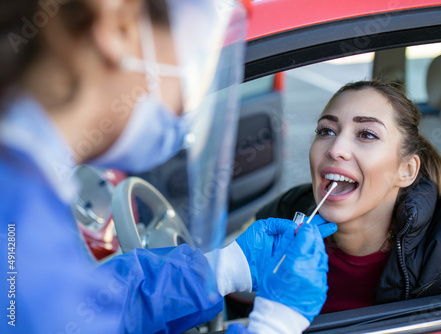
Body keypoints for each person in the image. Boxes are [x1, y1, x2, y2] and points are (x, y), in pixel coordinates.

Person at [0, 0, 337, 333]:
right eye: (198, 55)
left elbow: (84, 311)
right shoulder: (21, 229)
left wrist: (224, 268)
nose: (186, 101)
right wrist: (275, 325)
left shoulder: (23, 194)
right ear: (117, 23)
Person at [256, 80, 441, 313]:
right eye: (326, 130)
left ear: (406, 171)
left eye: (367, 134)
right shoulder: (284, 215)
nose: (335, 149)